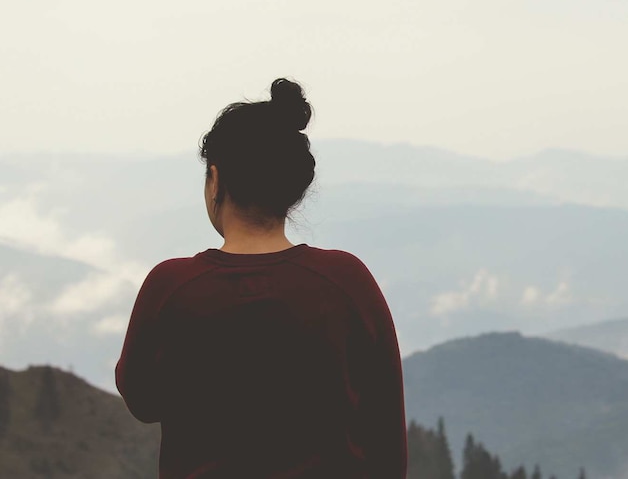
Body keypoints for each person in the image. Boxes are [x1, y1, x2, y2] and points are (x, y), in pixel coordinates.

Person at [115, 78, 408, 478]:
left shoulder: (171, 286)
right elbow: (385, 426)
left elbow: (143, 400)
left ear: (215, 180)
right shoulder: (346, 281)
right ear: (292, 187)